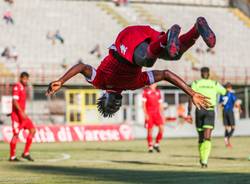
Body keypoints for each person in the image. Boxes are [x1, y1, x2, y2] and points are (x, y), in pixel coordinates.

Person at [47, 17, 215, 118]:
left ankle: (166, 39)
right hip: (147, 40)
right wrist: (191, 92)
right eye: (114, 107)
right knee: (174, 54)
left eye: (109, 105)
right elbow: (165, 74)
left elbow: (82, 67)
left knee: (146, 60)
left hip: (127, 41)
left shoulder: (100, 82)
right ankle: (197, 28)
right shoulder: (133, 84)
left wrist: (62, 80)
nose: (113, 105)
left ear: (104, 97)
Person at [187, 67, 226, 168]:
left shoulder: (197, 83)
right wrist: (224, 103)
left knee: (204, 136)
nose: (204, 73)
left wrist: (188, 112)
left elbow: (190, 97)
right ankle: (203, 158)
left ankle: (204, 160)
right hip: (205, 110)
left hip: (204, 110)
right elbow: (225, 92)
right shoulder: (214, 83)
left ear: (203, 73)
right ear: (209, 74)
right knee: (204, 137)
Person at [9, 72, 36, 162]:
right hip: (17, 116)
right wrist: (20, 112)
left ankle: (25, 153)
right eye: (24, 79)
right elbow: (15, 101)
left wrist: (22, 112)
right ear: (20, 78)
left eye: (27, 79)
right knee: (16, 134)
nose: (26, 80)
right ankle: (12, 157)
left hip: (22, 115)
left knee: (32, 130)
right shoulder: (17, 86)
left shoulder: (23, 87)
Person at [142, 84, 164, 153]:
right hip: (149, 113)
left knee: (161, 128)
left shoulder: (158, 92)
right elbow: (143, 105)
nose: (152, 84)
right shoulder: (145, 92)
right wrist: (145, 114)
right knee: (150, 130)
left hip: (157, 114)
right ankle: (150, 146)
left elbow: (160, 104)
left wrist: (162, 114)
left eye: (154, 83)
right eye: (151, 83)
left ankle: (156, 144)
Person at [219, 82, 237, 148]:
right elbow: (235, 103)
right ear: (230, 87)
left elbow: (220, 104)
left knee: (226, 127)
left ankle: (227, 142)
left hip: (224, 111)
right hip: (230, 111)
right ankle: (227, 138)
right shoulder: (231, 94)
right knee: (233, 127)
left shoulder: (222, 94)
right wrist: (239, 108)